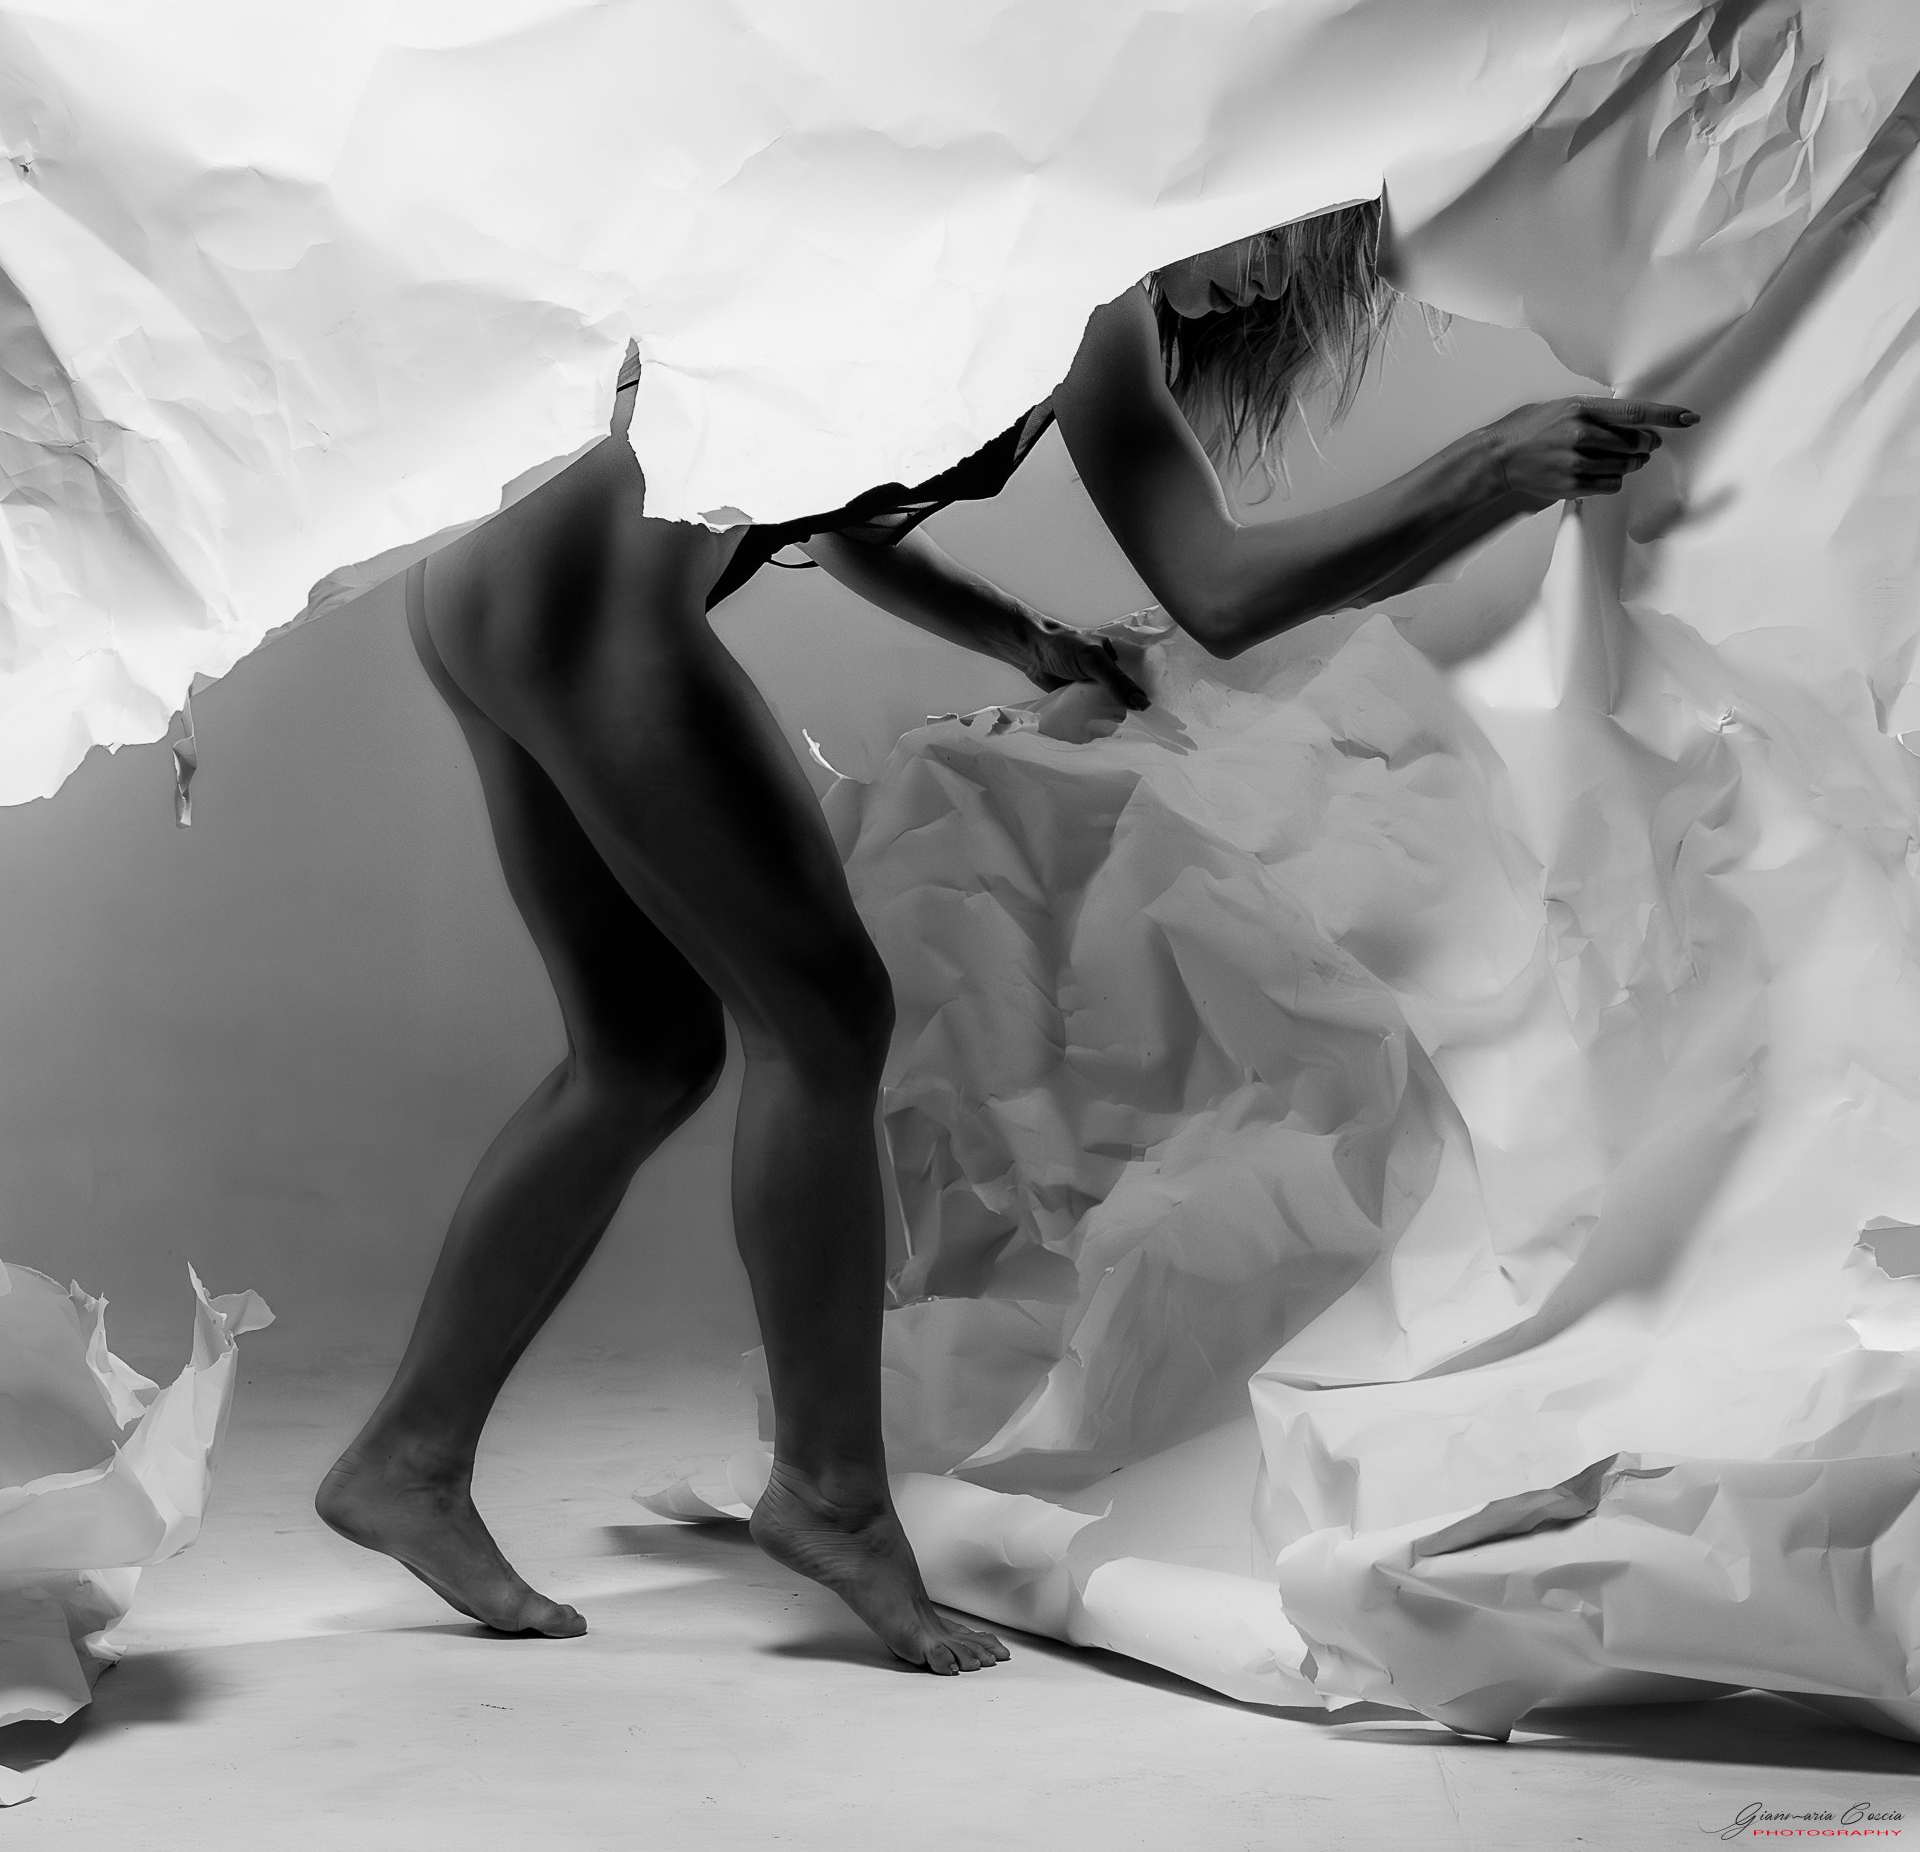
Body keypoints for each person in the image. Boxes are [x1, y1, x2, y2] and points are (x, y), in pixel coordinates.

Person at [315, 197, 1692, 1673]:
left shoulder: (1008, 256)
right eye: (1263, 237)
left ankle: (409, 1458)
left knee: (643, 1053)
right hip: (587, 605)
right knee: (823, 1023)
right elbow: (1223, 591)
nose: (1253, 287)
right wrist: (1492, 469)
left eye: (1287, 273)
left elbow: (835, 515)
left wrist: (1022, 641)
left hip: (486, 590)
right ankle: (831, 1495)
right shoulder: (1091, 291)